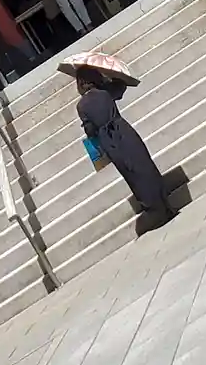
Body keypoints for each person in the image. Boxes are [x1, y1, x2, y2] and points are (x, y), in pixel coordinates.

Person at [65, 51, 174, 232]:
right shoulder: (105, 93)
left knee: (132, 174)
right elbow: (121, 85)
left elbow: (90, 130)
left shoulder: (81, 105)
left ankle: (155, 210)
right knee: (144, 165)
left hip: (109, 141)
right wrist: (107, 76)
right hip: (123, 130)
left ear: (81, 84)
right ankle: (165, 202)